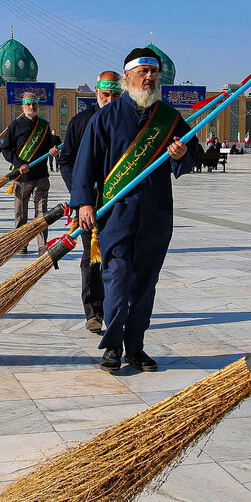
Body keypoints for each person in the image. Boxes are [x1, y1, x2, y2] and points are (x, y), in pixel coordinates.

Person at [72, 48, 192, 373]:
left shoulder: (169, 118)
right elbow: (86, 164)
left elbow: (191, 155)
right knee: (117, 280)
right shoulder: (105, 118)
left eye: (154, 73)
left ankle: (136, 347)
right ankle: (112, 347)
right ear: (128, 77)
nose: (150, 78)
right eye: (143, 73)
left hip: (155, 214)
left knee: (144, 284)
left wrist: (180, 154)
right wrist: (84, 202)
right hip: (117, 216)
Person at [60, 72, 123, 333]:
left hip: (120, 201)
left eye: (115, 95)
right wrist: (81, 196)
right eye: (105, 94)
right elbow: (67, 161)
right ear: (96, 91)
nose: (109, 100)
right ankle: (94, 311)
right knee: (92, 255)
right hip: (91, 203)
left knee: (119, 257)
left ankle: (117, 308)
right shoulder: (81, 121)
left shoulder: (127, 121)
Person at [0, 93, 61, 253]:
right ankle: (22, 243)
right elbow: (6, 150)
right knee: (21, 213)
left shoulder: (44, 125)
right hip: (23, 178)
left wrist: (53, 151)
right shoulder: (15, 125)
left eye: (34, 104)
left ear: (38, 106)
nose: (32, 107)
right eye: (28, 105)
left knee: (42, 213)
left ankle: (42, 246)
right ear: (23, 107)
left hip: (41, 176)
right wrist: (19, 164)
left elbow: (49, 146)